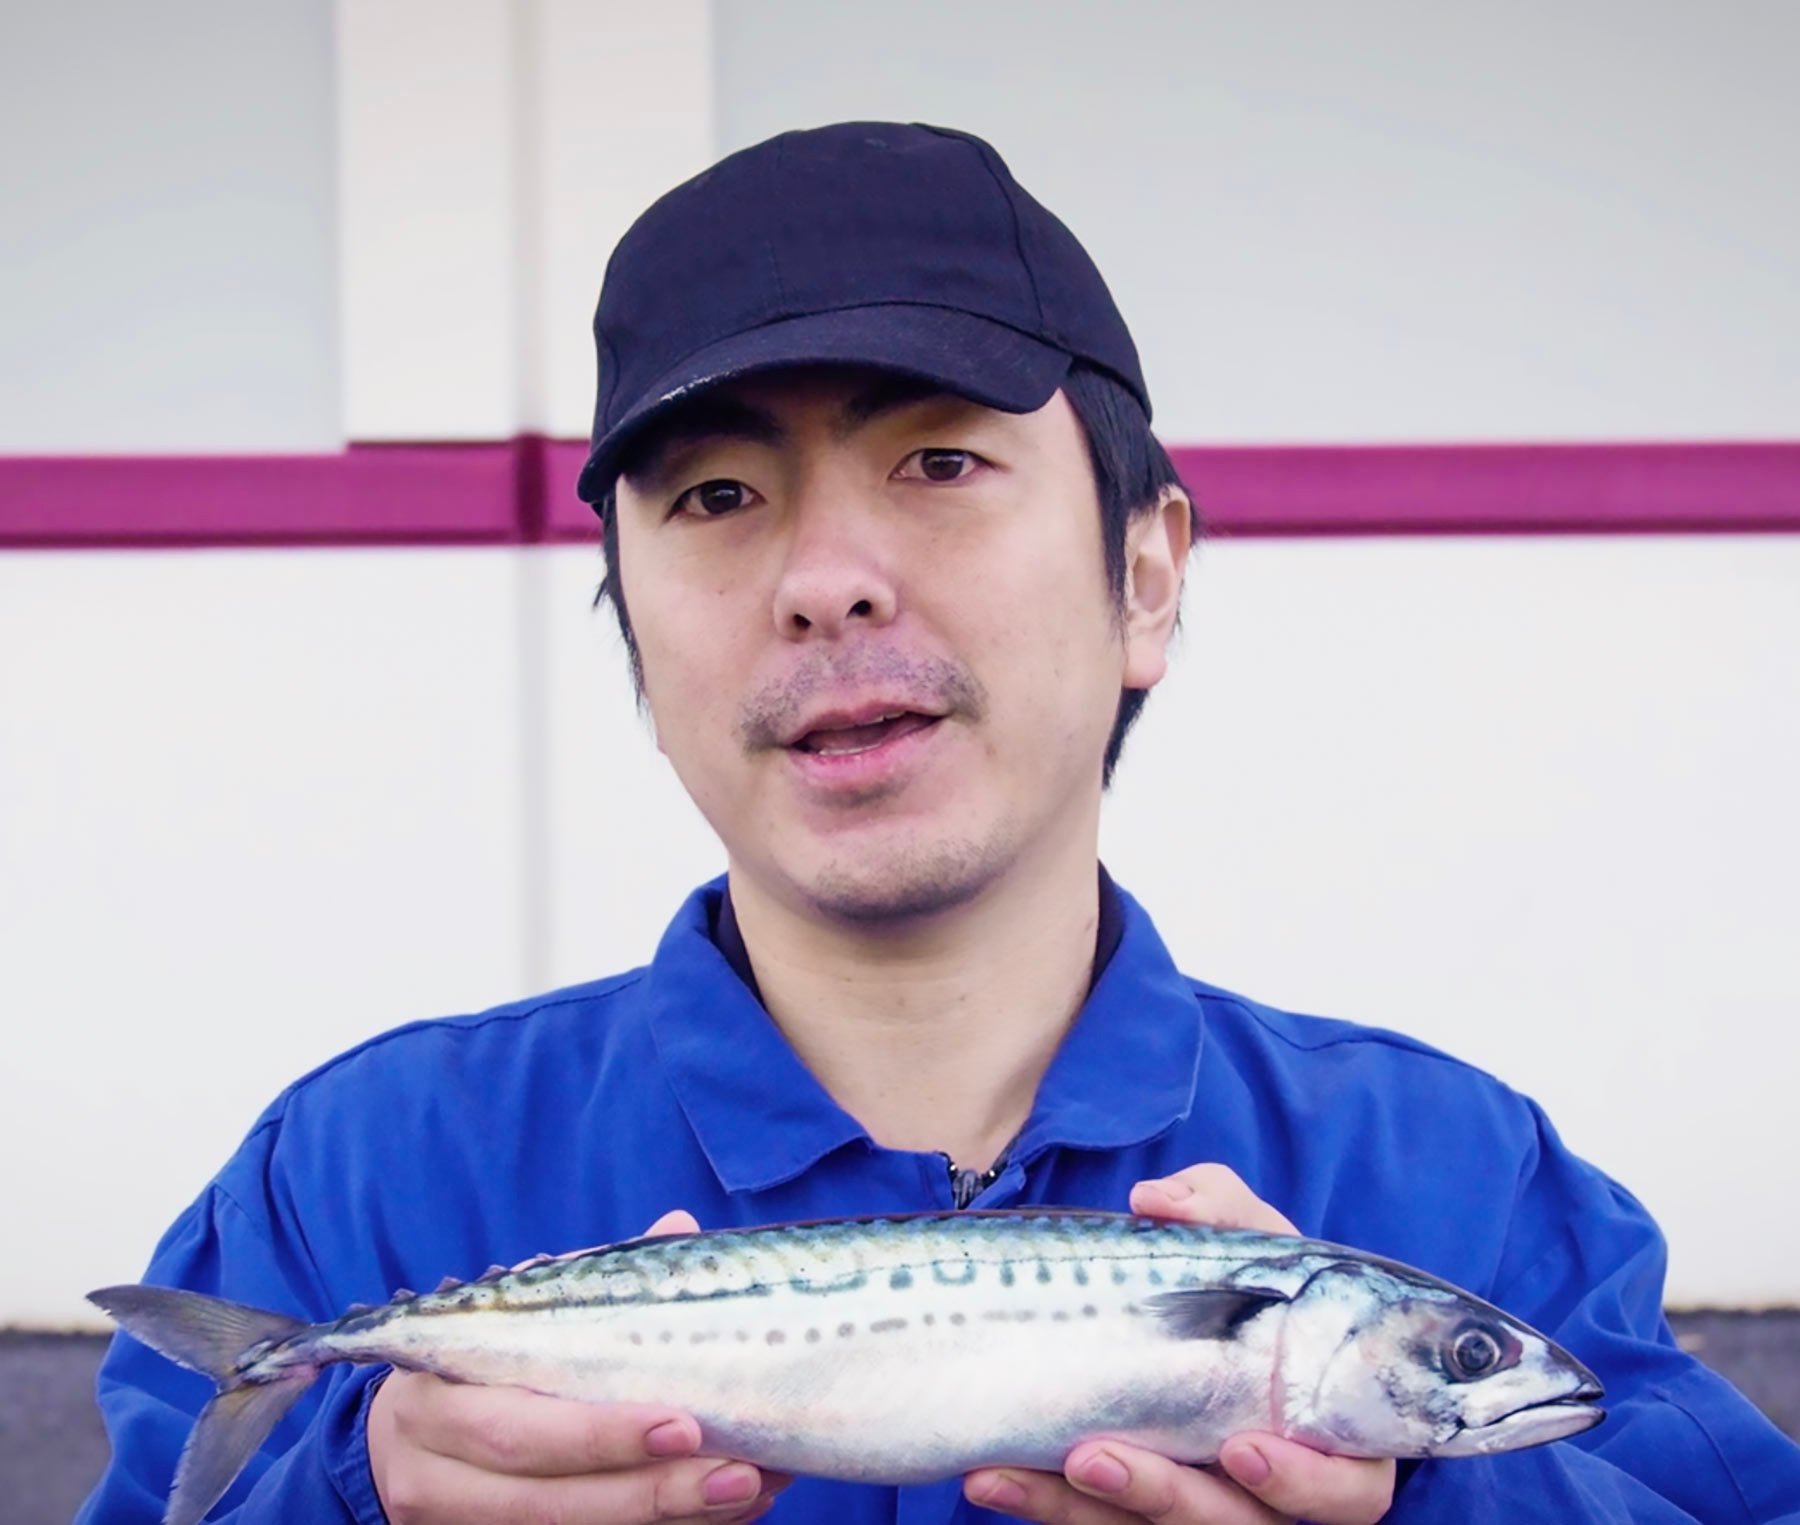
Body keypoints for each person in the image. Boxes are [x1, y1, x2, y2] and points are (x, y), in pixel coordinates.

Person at [80, 121, 1799, 1525]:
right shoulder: (363, 1173)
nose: (827, 581)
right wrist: (355, 1491)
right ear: (629, 628)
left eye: (942, 463)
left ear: (1145, 574)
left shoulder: (1460, 1177)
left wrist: (1428, 1505)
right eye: (718, 497)